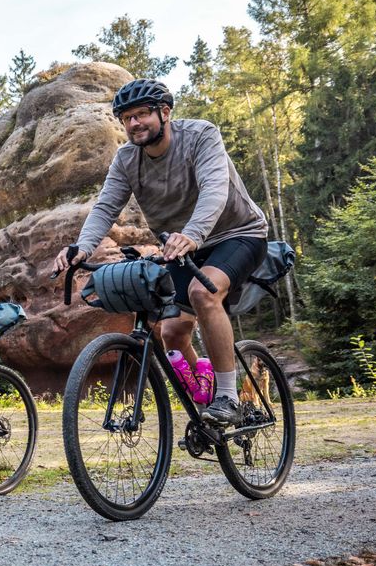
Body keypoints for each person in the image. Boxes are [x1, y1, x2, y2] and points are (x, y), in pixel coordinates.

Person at [51, 78, 269, 426]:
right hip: (180, 246)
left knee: (203, 292)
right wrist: (83, 247)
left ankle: (228, 397)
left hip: (237, 234)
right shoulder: (126, 159)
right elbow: (106, 207)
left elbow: (214, 189)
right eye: (127, 118)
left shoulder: (200, 136)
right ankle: (207, 402)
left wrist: (192, 234)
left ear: (164, 112)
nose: (134, 123)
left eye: (142, 114)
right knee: (171, 333)